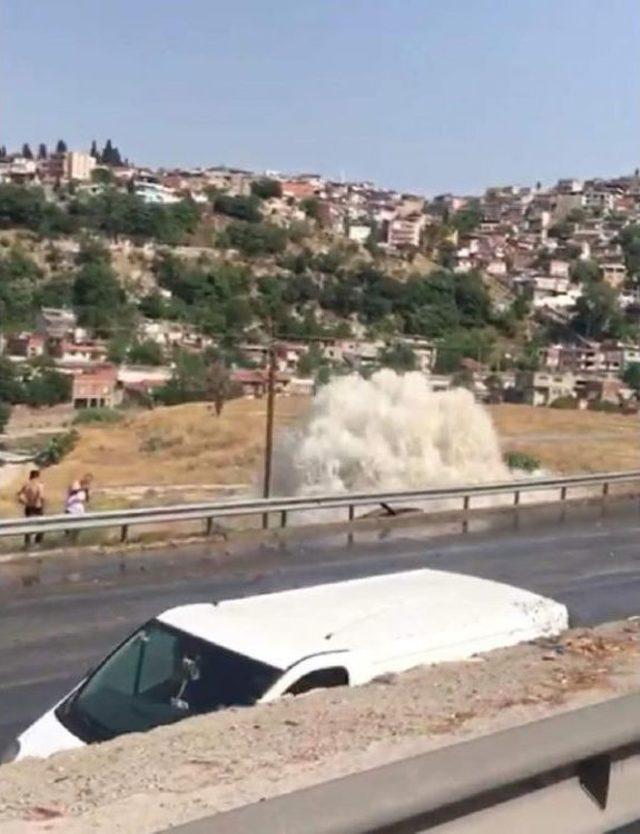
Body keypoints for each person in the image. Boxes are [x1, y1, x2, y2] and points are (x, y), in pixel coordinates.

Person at [17, 470, 45, 548]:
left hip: (28, 507)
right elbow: (41, 496)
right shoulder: (39, 485)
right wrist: (40, 503)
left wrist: (25, 502)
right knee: (42, 526)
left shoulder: (26, 485)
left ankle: (27, 544)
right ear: (37, 476)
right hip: (37, 507)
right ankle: (37, 543)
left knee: (28, 526)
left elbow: (19, 495)